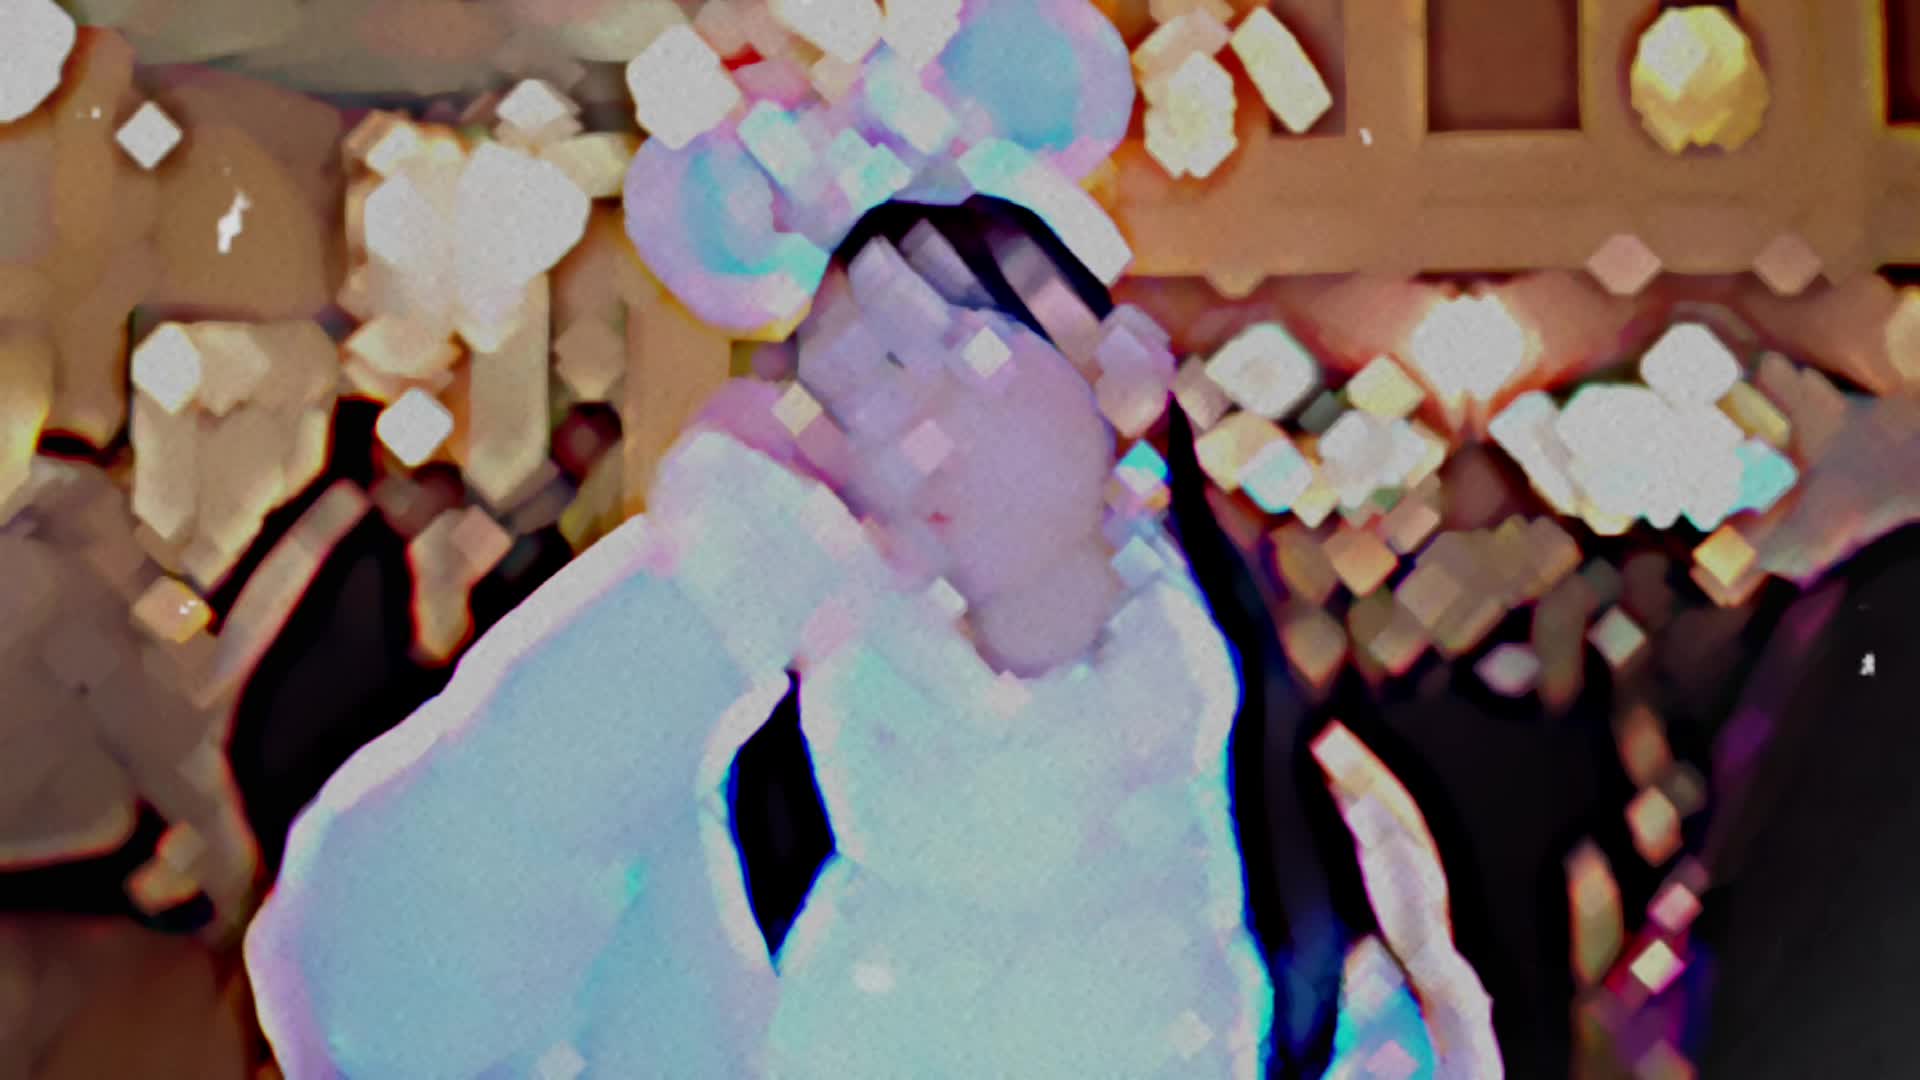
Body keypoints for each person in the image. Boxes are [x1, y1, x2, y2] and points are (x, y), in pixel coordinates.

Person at [244, 2, 1502, 1075]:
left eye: (960, 345)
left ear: (1118, 393)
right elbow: (381, 1009)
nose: (907, 423)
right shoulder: (746, 785)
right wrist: (686, 605)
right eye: (852, 383)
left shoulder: (1310, 823)